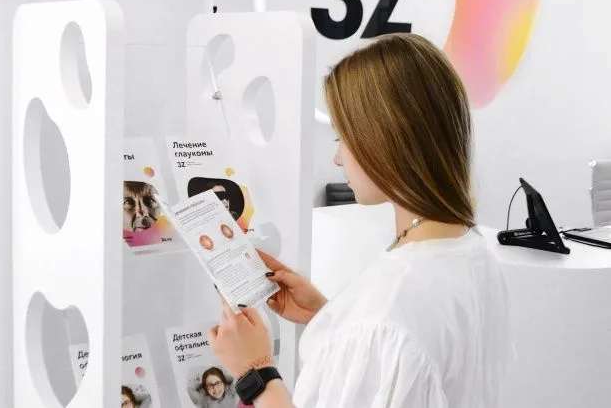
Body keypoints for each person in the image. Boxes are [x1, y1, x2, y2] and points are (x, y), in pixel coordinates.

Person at [207, 33, 513, 407]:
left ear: (384, 139)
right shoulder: (472, 251)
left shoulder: (388, 308)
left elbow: (392, 330)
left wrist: (255, 371)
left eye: (342, 138)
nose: (337, 158)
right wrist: (329, 316)